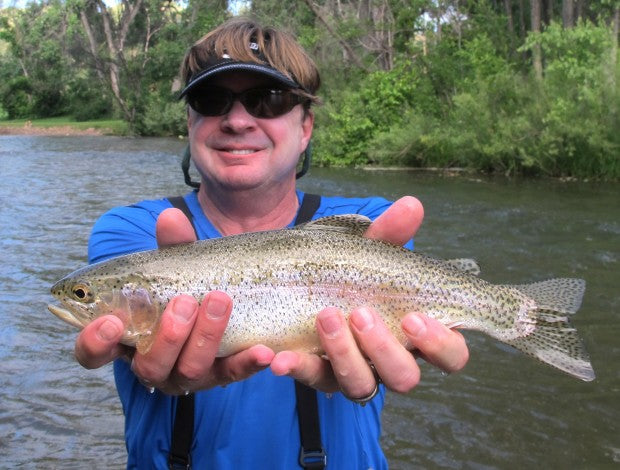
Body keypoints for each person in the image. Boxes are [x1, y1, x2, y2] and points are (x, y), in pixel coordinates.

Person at [75, 18, 469, 469]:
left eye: (268, 100)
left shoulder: (373, 225)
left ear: (306, 127)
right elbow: (124, 341)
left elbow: (406, 323)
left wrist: (403, 347)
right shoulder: (131, 233)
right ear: (190, 122)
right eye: (211, 99)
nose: (238, 120)